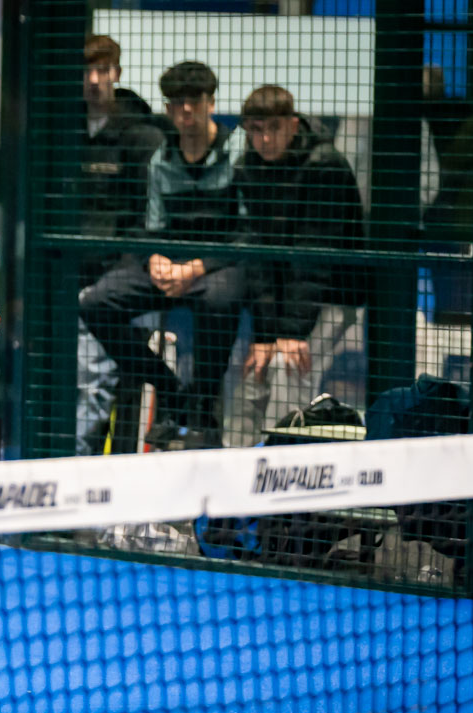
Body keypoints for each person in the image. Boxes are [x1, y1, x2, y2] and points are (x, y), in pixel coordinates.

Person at [79, 60, 246, 449]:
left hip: (219, 264)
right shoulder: (161, 159)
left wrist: (197, 268)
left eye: (194, 100)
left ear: (210, 103)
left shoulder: (237, 153)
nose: (186, 110)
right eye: (177, 102)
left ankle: (201, 406)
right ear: (168, 108)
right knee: (96, 302)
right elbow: (151, 227)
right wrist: (153, 258)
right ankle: (170, 390)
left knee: (220, 299)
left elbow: (247, 233)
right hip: (170, 263)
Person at [231, 85, 365, 443]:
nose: (265, 139)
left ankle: (283, 459)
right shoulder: (246, 167)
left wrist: (292, 332)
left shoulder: (324, 165)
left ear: (293, 124)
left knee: (287, 367)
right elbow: (255, 256)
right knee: (253, 368)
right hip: (277, 296)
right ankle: (236, 461)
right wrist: (265, 335)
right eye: (256, 129)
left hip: (331, 294)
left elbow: (315, 258)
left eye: (274, 128)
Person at [74, 34, 163, 454]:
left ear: (117, 73)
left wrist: (123, 274)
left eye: (102, 70)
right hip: (67, 274)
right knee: (75, 378)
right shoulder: (62, 130)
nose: (94, 80)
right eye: (87, 70)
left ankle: (73, 467)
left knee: (96, 381)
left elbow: (147, 216)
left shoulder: (141, 135)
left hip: (114, 282)